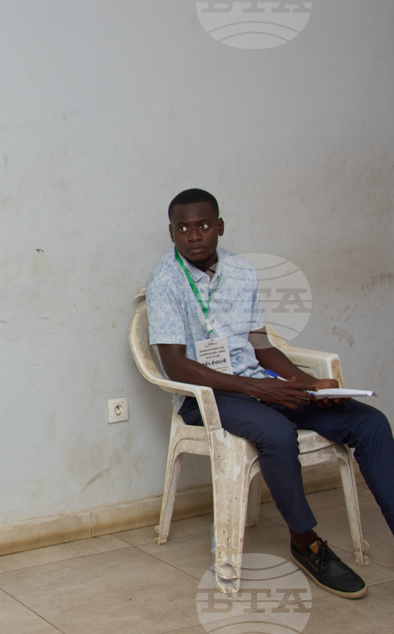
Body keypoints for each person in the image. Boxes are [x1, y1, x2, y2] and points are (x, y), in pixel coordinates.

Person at [146, 188, 394, 600]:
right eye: (183, 228)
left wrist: (306, 383)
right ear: (170, 233)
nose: (194, 236)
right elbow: (175, 365)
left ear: (219, 227)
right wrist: (256, 387)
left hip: (257, 386)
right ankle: (306, 542)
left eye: (203, 225)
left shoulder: (242, 272)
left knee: (368, 422)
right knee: (277, 432)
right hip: (204, 397)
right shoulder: (165, 281)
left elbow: (260, 345)